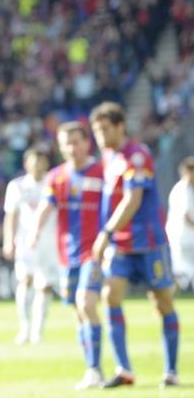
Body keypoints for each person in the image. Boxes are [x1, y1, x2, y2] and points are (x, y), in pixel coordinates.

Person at [90, 102, 180, 389]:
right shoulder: (108, 158)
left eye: (105, 129)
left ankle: (171, 371)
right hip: (122, 245)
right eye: (96, 130)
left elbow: (133, 201)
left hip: (149, 242)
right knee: (110, 295)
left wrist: (105, 232)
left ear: (120, 127)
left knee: (162, 302)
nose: (100, 135)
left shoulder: (137, 156)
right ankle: (124, 369)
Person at [33, 122, 105, 389]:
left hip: (95, 251)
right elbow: (46, 206)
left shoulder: (102, 172)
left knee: (86, 303)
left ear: (87, 143)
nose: (71, 148)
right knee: (78, 312)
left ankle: (95, 368)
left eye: (76, 142)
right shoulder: (56, 177)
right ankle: (91, 367)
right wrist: (34, 232)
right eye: (66, 144)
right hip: (68, 255)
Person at [2, 144, 58, 345]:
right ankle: (24, 329)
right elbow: (11, 215)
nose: (38, 166)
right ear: (27, 164)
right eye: (35, 162)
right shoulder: (16, 186)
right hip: (25, 243)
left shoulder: (53, 183)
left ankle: (37, 332)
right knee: (25, 281)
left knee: (45, 286)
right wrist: (9, 240)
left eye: (42, 162)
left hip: (49, 243)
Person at [166, 156, 194, 291]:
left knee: (181, 276)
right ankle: (164, 300)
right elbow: (186, 216)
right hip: (183, 238)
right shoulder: (183, 189)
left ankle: (164, 300)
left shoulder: (188, 188)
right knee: (182, 274)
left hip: (186, 237)